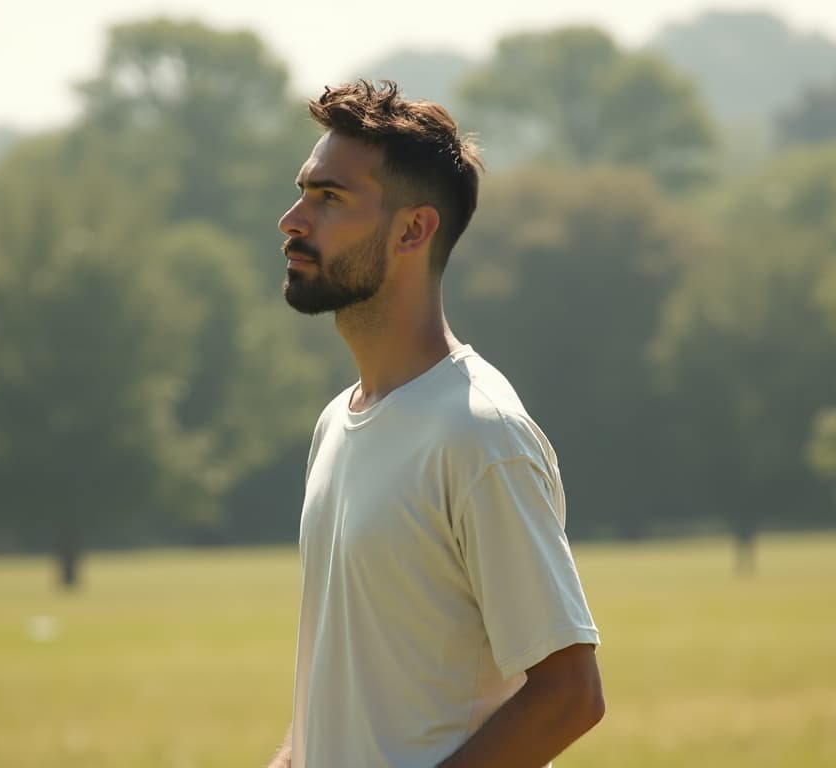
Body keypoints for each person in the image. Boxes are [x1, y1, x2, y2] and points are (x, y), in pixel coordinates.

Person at [267, 80, 604, 768]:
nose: (292, 219)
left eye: (329, 198)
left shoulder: (478, 433)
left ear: (414, 229)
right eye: (304, 190)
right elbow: (341, 702)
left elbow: (570, 695)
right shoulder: (338, 422)